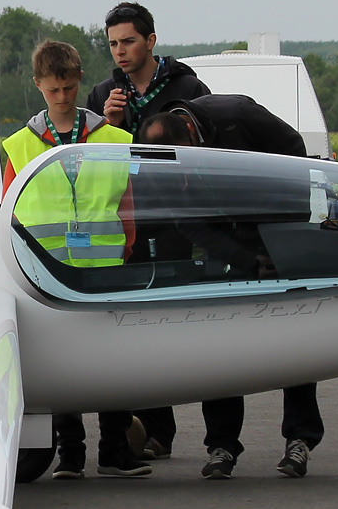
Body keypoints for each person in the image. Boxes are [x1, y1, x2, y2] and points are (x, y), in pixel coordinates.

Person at [138, 96, 325, 479]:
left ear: (191, 136)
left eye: (186, 166)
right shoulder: (163, 162)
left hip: (276, 233)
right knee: (219, 347)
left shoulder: (237, 117)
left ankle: (300, 439)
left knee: (295, 344)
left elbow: (296, 154)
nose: (183, 179)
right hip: (227, 250)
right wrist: (244, 258)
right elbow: (188, 223)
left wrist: (279, 238)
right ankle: (221, 445)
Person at [1, 40, 150, 479]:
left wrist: (126, 248)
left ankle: (115, 448)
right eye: (53, 90)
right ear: (38, 87)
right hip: (47, 272)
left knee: (111, 362)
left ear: (78, 81)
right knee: (62, 363)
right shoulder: (18, 146)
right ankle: (71, 454)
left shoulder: (114, 139)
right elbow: (8, 210)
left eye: (68, 88)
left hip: (105, 268)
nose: (63, 97)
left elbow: (128, 204)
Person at [85, 2, 212, 460]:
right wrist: (111, 125)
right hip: (127, 223)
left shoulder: (187, 85)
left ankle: (190, 431)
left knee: (175, 325)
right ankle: (154, 430)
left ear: (151, 41)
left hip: (176, 218)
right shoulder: (104, 92)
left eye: (128, 41)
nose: (120, 51)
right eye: (114, 43)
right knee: (135, 327)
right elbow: (92, 160)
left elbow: (204, 146)